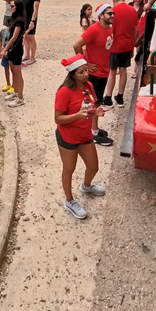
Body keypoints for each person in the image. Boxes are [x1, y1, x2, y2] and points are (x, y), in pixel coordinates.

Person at [54, 55, 106, 219]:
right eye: (81, 72)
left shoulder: (89, 86)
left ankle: (86, 186)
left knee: (93, 167)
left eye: (86, 70)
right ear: (72, 74)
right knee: (69, 169)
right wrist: (77, 116)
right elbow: (58, 119)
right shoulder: (64, 92)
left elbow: (89, 108)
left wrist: (95, 112)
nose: (86, 74)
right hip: (68, 137)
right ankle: (69, 201)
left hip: (85, 135)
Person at [73, 4, 114, 146]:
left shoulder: (110, 28)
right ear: (101, 15)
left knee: (97, 101)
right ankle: (94, 133)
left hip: (104, 71)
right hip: (95, 73)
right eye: (109, 14)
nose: (112, 16)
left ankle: (93, 129)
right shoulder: (94, 29)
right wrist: (85, 64)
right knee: (94, 102)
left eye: (112, 13)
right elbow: (77, 45)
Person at [103, 0, 138, 109]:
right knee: (123, 71)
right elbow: (136, 30)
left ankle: (108, 97)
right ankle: (120, 96)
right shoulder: (132, 10)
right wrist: (133, 45)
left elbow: (108, 29)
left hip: (115, 46)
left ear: (114, 0)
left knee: (112, 72)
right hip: (128, 45)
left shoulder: (113, 12)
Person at [0, 0, 26, 108]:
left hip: (16, 49)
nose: (11, 8)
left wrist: (5, 48)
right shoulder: (13, 18)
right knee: (13, 71)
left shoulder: (19, 21)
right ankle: (15, 91)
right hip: (11, 50)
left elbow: (14, 37)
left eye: (13, 6)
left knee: (17, 73)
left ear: (18, 7)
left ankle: (20, 97)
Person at [21, 0, 41, 65]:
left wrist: (32, 21)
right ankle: (27, 54)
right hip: (24, 18)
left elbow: (35, 10)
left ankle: (33, 57)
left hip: (31, 19)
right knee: (25, 37)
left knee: (31, 37)